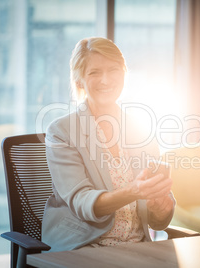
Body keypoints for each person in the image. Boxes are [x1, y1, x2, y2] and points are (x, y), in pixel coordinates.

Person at [42, 37, 174, 252]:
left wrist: (161, 208)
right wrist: (133, 192)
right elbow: (82, 202)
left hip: (137, 249)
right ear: (79, 81)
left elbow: (159, 222)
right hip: (84, 246)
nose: (106, 80)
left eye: (113, 70)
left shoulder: (141, 128)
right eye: (94, 72)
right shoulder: (62, 132)